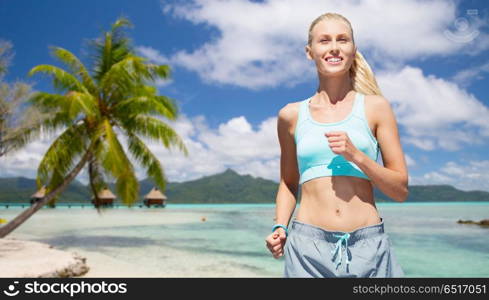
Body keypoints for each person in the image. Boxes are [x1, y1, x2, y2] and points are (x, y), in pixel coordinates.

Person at [265, 12, 408, 278]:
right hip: (307, 252)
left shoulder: (376, 108)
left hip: (370, 249)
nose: (333, 47)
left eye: (342, 40)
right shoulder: (290, 115)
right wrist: (280, 227)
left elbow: (400, 190)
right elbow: (287, 183)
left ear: (353, 50)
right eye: (324, 40)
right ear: (310, 52)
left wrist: (358, 156)